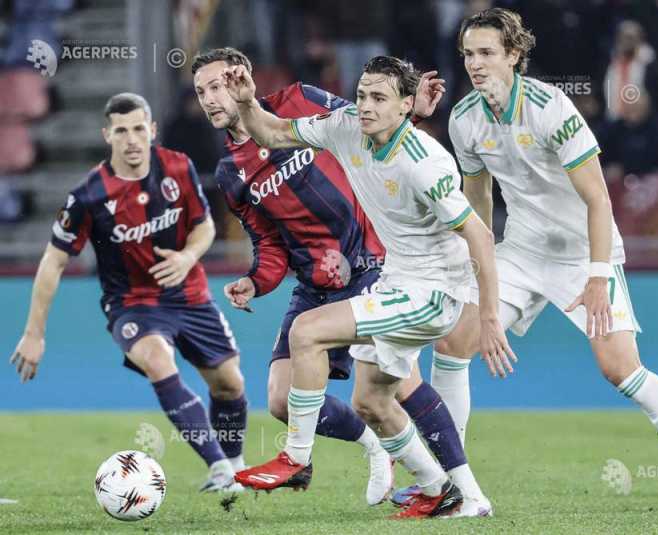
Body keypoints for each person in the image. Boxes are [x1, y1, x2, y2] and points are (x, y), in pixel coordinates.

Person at [394, 7, 658, 512]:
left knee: (620, 369)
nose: (475, 63)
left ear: (514, 55)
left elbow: (599, 199)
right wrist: (475, 270)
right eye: (468, 54)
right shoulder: (465, 118)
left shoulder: (552, 107)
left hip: (583, 254)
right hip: (522, 250)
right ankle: (451, 483)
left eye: (487, 53)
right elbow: (478, 199)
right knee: (453, 341)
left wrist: (598, 276)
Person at [191, 48, 492, 515]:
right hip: (351, 282)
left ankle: (298, 458)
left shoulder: (318, 107)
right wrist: (256, 280)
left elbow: (475, 230)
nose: (212, 97)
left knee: (327, 344)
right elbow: (270, 225)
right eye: (202, 91)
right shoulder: (245, 167)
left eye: (220, 84)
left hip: (397, 275)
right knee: (355, 399)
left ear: (243, 75)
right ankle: (443, 487)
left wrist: (487, 314)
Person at [8, 93, 247, 492]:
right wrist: (34, 333)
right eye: (121, 131)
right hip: (133, 304)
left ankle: (235, 465)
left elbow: (204, 226)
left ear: (152, 130)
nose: (132, 139)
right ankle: (220, 468)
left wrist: (188, 257)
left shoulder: (178, 167)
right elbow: (53, 261)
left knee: (230, 384)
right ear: (108, 135)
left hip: (189, 294)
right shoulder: (88, 195)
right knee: (157, 359)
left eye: (138, 128)